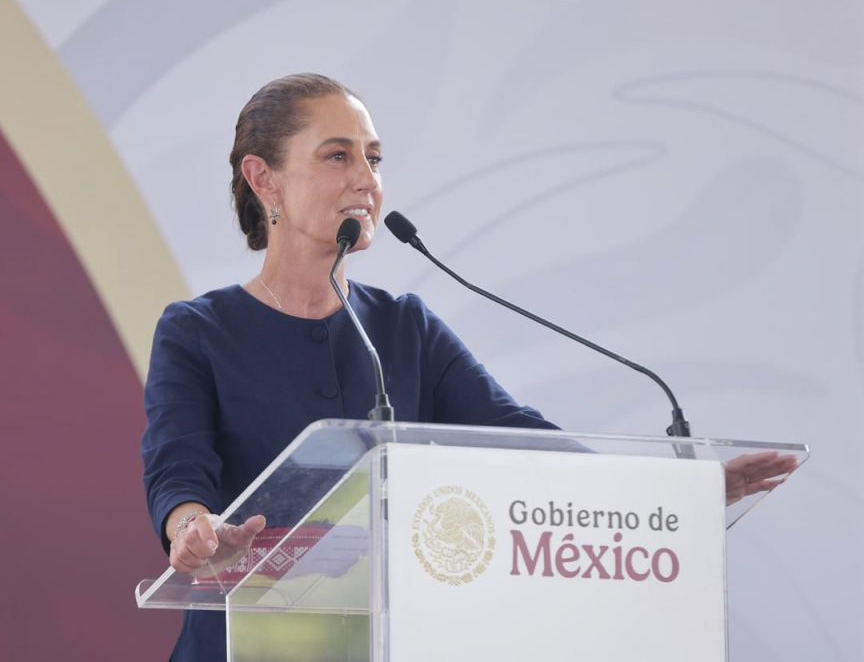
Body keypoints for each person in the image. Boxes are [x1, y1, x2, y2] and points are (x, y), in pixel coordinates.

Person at [140, 73, 796, 661]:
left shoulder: (404, 327)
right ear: (264, 179)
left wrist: (673, 499)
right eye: (337, 156)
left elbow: (524, 442)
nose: (367, 180)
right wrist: (195, 529)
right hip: (239, 644)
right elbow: (178, 467)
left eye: (374, 158)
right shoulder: (199, 332)